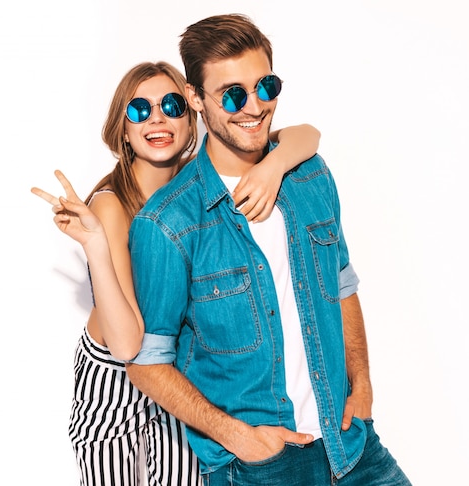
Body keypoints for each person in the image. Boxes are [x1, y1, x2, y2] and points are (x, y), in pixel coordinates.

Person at [125, 14, 412, 486]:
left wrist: (361, 389)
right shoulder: (168, 222)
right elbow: (148, 362)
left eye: (266, 87)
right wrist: (238, 438)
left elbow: (342, 285)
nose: (254, 106)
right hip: (262, 467)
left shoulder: (310, 176)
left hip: (351, 446)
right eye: (233, 94)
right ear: (196, 99)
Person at [32, 60, 321, 485]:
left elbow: (306, 136)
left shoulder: (197, 186)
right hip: (113, 379)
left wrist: (272, 167)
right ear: (123, 129)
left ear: (193, 117)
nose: (157, 118)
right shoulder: (111, 207)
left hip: (176, 376)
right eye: (139, 110)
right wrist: (95, 244)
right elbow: (129, 346)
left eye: (171, 105)